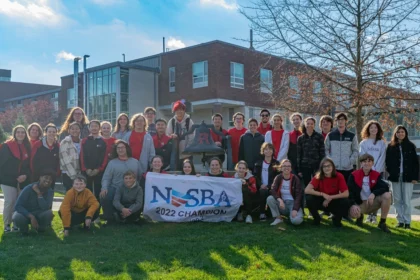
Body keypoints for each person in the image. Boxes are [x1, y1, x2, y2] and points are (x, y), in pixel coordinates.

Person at [347, 154, 392, 233]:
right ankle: (359, 217)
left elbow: (385, 187)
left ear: (372, 163)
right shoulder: (354, 175)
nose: (367, 163)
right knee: (354, 214)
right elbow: (349, 192)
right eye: (364, 161)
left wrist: (373, 194)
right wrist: (353, 204)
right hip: (359, 203)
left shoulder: (376, 175)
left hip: (371, 202)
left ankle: (382, 222)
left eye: (369, 161)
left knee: (387, 195)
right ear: (361, 163)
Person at [386, 125, 419, 229]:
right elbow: (387, 162)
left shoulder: (411, 146)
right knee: (397, 200)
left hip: (408, 177)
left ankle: (407, 222)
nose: (400, 134)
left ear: (406, 134)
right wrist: (390, 172)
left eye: (402, 132)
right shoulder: (391, 146)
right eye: (398, 132)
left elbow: (416, 163)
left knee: (406, 200)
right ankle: (400, 221)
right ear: (395, 134)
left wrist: (415, 177)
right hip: (395, 177)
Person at [0, 125, 31, 233]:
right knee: (10, 201)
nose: (20, 134)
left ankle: (16, 224)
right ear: (14, 133)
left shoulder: (27, 147)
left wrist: (25, 176)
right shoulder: (6, 146)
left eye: (23, 132)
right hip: (7, 179)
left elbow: (28, 166)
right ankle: (7, 224)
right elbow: (2, 164)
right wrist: (15, 176)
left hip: (22, 180)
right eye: (18, 132)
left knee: (17, 203)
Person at [100, 140, 138, 223]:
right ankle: (110, 218)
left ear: (127, 149)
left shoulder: (135, 162)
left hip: (130, 189)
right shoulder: (112, 163)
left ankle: (132, 217)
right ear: (116, 150)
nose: (120, 150)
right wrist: (104, 188)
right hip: (115, 188)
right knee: (104, 195)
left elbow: (139, 177)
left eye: (122, 147)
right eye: (118, 148)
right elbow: (106, 177)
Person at [305, 158, 350, 227]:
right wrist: (323, 194)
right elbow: (307, 190)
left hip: (333, 200)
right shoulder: (318, 176)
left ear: (333, 167)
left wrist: (329, 198)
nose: (327, 168)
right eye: (324, 166)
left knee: (345, 201)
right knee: (309, 198)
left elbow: (346, 194)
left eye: (329, 166)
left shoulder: (339, 176)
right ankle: (316, 218)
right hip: (321, 200)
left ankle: (336, 220)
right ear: (321, 168)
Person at [359, 120, 387, 223]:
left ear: (378, 130)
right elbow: (363, 156)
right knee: (366, 192)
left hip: (377, 172)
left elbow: (382, 157)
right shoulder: (364, 143)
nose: (373, 129)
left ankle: (374, 216)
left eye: (375, 128)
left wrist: (375, 171)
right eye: (371, 128)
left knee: (376, 194)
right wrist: (368, 168)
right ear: (368, 129)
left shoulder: (381, 143)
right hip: (366, 172)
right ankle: (367, 215)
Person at [12, 169, 55, 234]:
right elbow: (18, 206)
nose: (48, 180)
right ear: (40, 178)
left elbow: (45, 208)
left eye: (50, 179)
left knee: (49, 213)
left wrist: (39, 194)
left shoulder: (50, 191)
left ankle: (40, 229)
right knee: (16, 216)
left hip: (39, 214)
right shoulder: (28, 188)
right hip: (25, 214)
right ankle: (24, 231)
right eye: (46, 177)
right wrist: (31, 216)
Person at [267, 159, 304, 226]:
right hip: (282, 203)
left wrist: (295, 209)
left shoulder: (295, 179)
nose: (286, 168)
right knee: (270, 198)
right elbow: (272, 190)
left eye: (288, 166)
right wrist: (279, 199)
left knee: (297, 221)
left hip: (293, 203)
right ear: (281, 168)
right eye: (284, 166)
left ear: (291, 168)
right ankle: (278, 218)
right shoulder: (278, 177)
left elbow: (299, 195)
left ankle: (292, 216)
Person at [325, 112, 359, 182]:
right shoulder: (330, 135)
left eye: (342, 119)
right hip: (334, 168)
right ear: (336, 121)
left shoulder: (352, 135)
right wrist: (331, 161)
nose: (340, 121)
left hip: (348, 168)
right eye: (338, 119)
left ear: (346, 121)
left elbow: (355, 150)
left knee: (347, 189)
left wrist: (350, 161)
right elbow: (326, 149)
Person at [80, 120, 108, 199]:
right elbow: (82, 156)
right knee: (87, 192)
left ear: (99, 128)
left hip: (98, 172)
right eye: (92, 126)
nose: (94, 128)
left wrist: (99, 169)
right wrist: (86, 169)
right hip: (87, 172)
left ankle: (97, 210)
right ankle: (87, 210)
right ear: (89, 128)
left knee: (97, 192)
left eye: (96, 126)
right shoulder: (85, 141)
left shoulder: (103, 141)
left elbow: (104, 157)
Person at [253, 143, 280, 221]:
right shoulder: (258, 163)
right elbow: (255, 176)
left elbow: (277, 177)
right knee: (262, 191)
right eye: (266, 149)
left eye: (270, 149)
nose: (268, 151)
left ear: (273, 151)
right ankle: (262, 213)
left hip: (272, 187)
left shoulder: (276, 163)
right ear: (263, 151)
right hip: (260, 187)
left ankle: (270, 212)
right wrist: (260, 184)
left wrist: (269, 186)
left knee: (266, 192)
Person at [297, 117, 325, 187]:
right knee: (306, 185)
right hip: (305, 166)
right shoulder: (300, 138)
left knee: (317, 184)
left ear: (314, 125)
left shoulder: (319, 137)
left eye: (311, 124)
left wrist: (321, 167)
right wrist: (299, 169)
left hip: (316, 165)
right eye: (308, 123)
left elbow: (322, 153)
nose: (309, 125)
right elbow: (299, 154)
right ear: (305, 124)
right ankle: (307, 198)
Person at [166, 100, 194, 169]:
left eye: (181, 109)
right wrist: (172, 136)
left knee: (187, 172)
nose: (179, 111)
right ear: (175, 111)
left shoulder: (189, 121)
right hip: (175, 154)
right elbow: (168, 135)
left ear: (184, 110)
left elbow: (192, 136)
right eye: (177, 110)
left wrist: (187, 150)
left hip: (187, 154)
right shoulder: (171, 121)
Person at [59, 122, 82, 191]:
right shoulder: (65, 142)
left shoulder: (82, 142)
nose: (75, 130)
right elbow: (65, 160)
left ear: (80, 130)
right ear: (69, 131)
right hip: (68, 174)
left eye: (77, 129)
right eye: (72, 129)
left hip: (79, 173)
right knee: (70, 195)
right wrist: (74, 175)